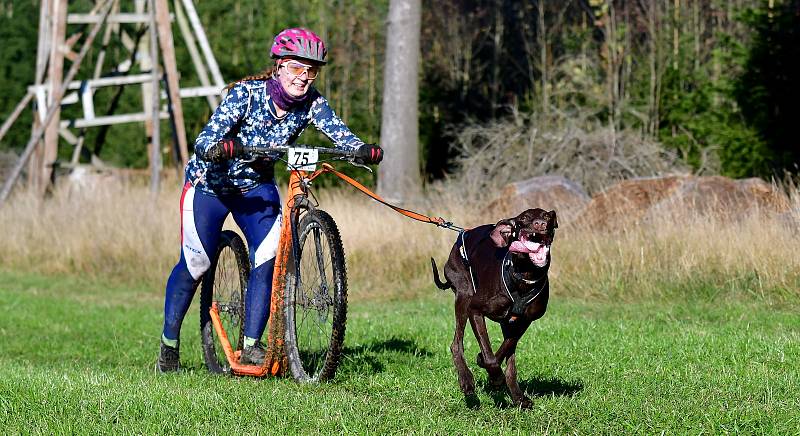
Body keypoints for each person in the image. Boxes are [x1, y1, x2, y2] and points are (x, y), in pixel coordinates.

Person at [157, 28, 383, 372]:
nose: (303, 77)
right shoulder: (245, 95)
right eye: (295, 68)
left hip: (256, 188)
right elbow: (206, 138)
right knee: (196, 266)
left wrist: (361, 149)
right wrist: (221, 147)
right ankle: (168, 347)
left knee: (269, 255)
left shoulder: (312, 103)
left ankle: (251, 347)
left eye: (311, 71)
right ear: (278, 66)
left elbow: (338, 131)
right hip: (210, 185)